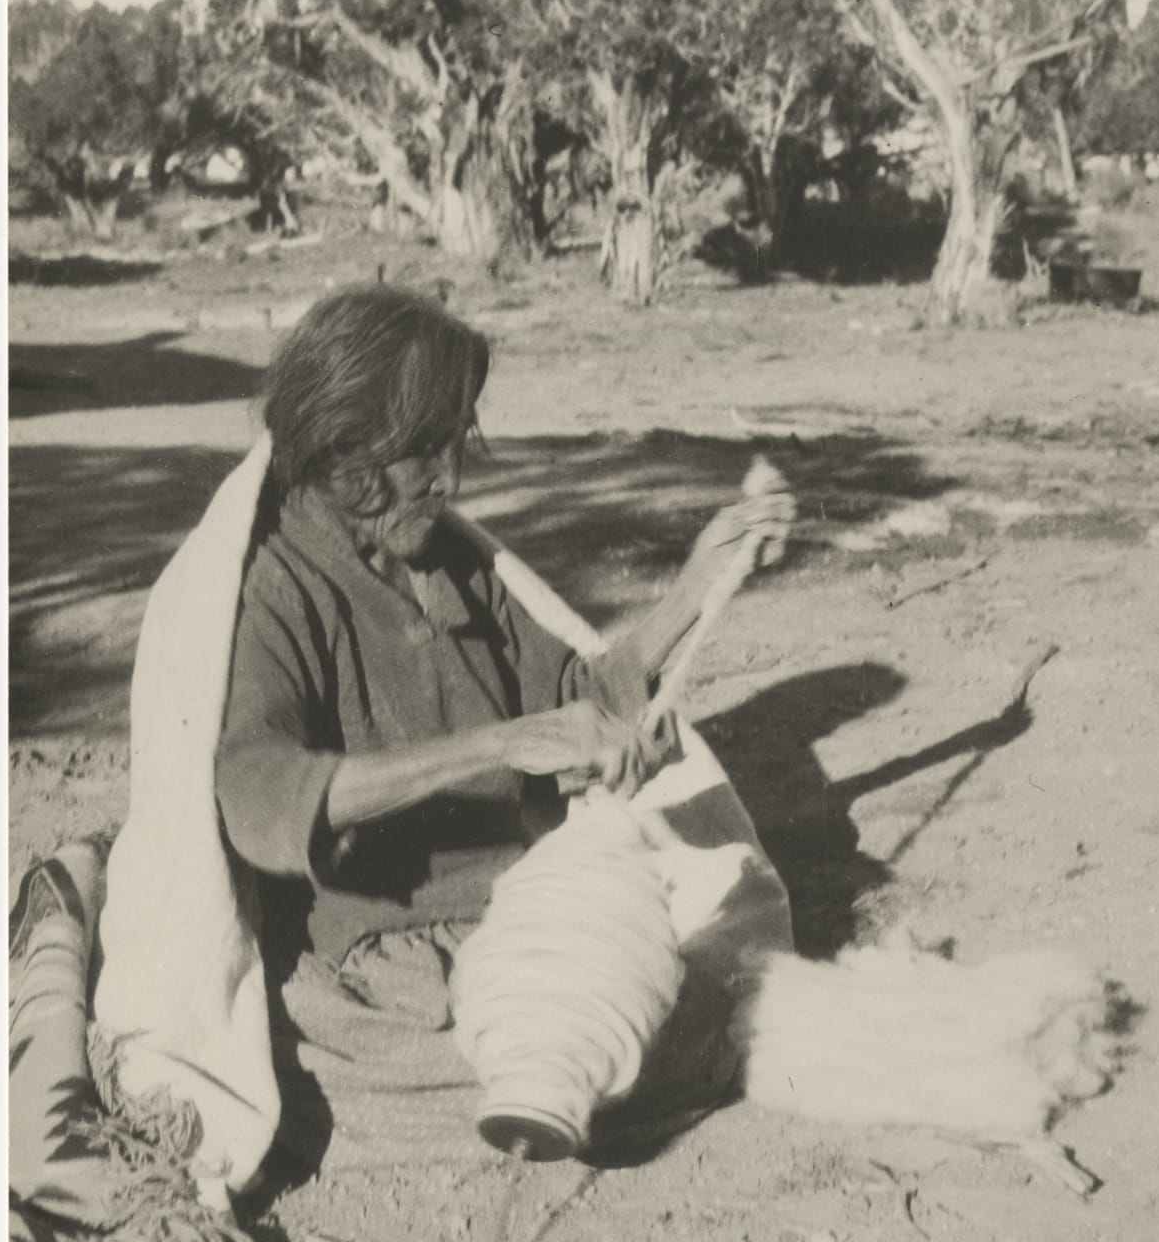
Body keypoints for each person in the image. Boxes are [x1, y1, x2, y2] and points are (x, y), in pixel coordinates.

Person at [215, 283, 796, 981]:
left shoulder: (444, 561)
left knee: (721, 964)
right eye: (424, 450)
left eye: (455, 444)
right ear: (346, 446)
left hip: (512, 916)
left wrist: (697, 587)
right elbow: (255, 796)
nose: (450, 479)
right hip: (386, 960)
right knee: (633, 1033)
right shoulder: (277, 585)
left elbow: (574, 701)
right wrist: (498, 745)